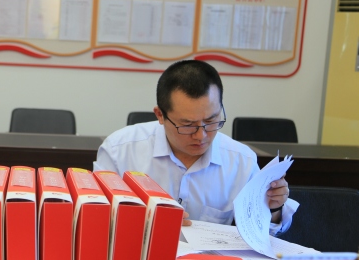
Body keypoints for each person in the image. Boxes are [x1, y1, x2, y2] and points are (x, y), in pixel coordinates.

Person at [93, 60, 298, 236]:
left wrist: (274, 209)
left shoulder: (241, 161)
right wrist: (141, 222)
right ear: (160, 115)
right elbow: (95, 220)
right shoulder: (119, 151)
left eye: (211, 120)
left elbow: (260, 234)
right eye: (187, 125)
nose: (201, 135)